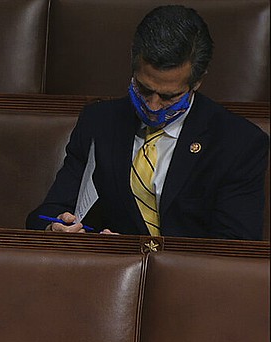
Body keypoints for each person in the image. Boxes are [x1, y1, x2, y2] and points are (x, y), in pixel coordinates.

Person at [26, 5, 269, 240]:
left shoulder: (239, 143)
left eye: (168, 96)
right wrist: (55, 228)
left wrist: (144, 256)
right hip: (113, 277)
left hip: (193, 279)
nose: (152, 106)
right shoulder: (98, 122)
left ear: (197, 83)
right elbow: (46, 214)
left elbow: (234, 247)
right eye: (144, 89)